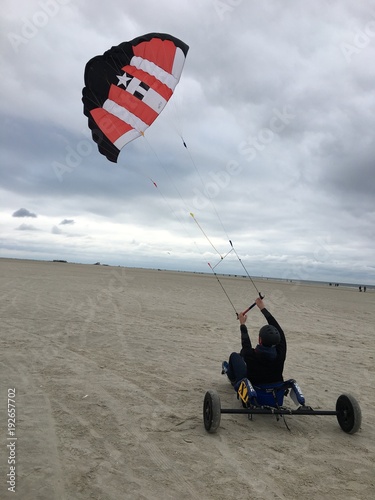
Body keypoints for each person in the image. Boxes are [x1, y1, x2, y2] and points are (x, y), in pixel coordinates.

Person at [222, 297, 287, 387]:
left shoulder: (251, 355)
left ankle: (232, 378)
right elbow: (279, 329)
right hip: (274, 386)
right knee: (242, 354)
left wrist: (242, 324)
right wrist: (263, 308)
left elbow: (246, 343)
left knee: (234, 356)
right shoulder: (280, 352)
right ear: (278, 340)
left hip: (255, 388)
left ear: (260, 340)